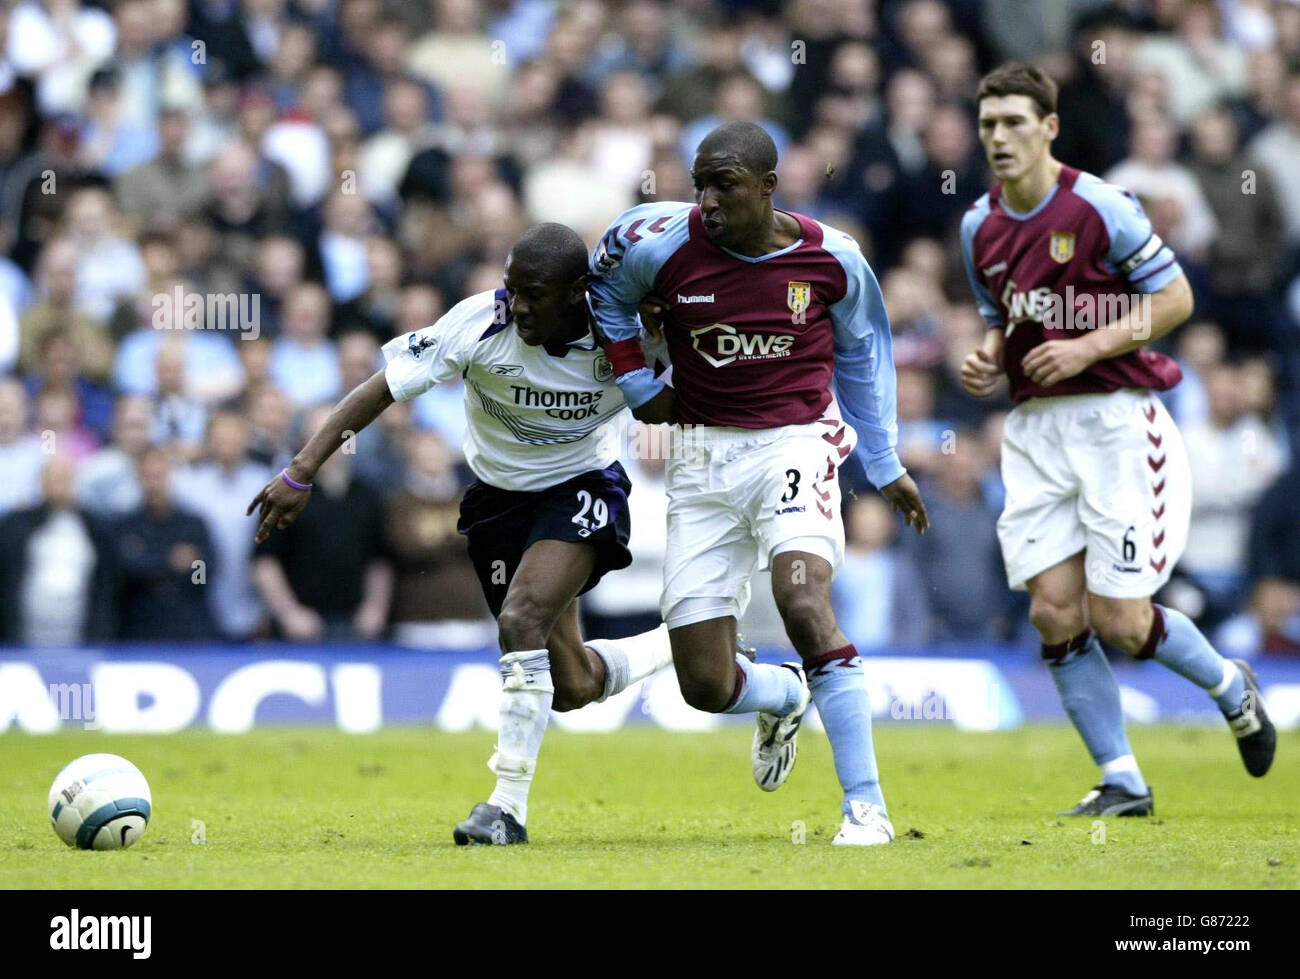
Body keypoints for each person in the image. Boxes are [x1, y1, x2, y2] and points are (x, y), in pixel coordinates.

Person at [248, 223, 674, 845]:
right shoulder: (479, 322)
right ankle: (682, 644)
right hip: (498, 502)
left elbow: (688, 393)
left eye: (531, 293)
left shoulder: (626, 334)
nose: (517, 304)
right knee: (573, 686)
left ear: (579, 291)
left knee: (521, 620)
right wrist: (301, 470)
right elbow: (380, 390)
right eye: (511, 288)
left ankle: (506, 809)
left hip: (584, 486)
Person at [587, 121, 929, 846]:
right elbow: (607, 296)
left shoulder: (833, 258)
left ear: (770, 186)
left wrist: (886, 460)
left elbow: (865, 355)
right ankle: (782, 693)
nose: (706, 200)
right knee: (705, 686)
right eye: (699, 184)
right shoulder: (658, 243)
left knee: (803, 599)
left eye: (725, 185)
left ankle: (865, 806)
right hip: (703, 459)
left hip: (795, 442)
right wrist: (639, 381)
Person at [958, 63, 1276, 818]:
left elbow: (1177, 298)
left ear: (1049, 127)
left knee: (1123, 620)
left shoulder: (1101, 206)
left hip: (1115, 422)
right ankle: (1122, 778)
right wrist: (987, 357)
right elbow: (1005, 322)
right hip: (1036, 431)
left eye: (1013, 122)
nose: (998, 137)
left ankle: (1231, 686)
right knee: (1053, 612)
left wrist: (1087, 347)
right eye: (987, 124)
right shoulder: (978, 225)